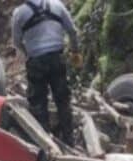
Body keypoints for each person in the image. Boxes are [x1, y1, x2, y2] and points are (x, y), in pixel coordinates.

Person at [11, 0, 80, 144]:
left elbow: (17, 42)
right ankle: (69, 139)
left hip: (36, 60)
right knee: (63, 100)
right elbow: (72, 31)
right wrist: (75, 51)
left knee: (38, 103)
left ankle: (44, 143)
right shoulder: (57, 5)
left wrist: (28, 52)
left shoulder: (19, 13)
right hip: (57, 57)